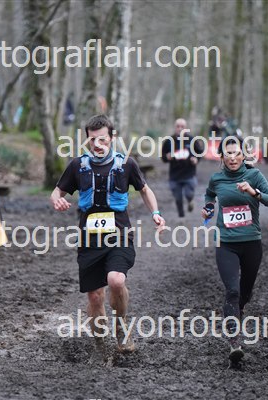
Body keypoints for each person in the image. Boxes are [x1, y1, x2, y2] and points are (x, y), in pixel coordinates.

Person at [50, 114, 165, 355]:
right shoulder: (78, 165)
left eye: (102, 139)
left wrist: (155, 213)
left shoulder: (126, 164)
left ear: (111, 138)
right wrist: (57, 200)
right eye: (92, 139)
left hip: (119, 232)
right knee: (95, 296)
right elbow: (57, 191)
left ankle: (121, 325)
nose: (97, 144)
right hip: (89, 237)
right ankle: (100, 344)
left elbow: (145, 190)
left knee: (116, 280)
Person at [202, 136, 268, 363]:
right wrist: (208, 208)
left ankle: (238, 311)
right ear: (222, 156)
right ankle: (234, 341)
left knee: (245, 293)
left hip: (251, 242)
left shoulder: (254, 176)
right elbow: (209, 195)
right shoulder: (216, 179)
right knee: (232, 291)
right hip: (225, 243)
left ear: (244, 155)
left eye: (237, 153)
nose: (233, 158)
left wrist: (254, 192)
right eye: (228, 154)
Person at [161, 118, 204, 217]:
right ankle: (181, 216)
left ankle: (190, 200)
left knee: (189, 194)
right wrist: (167, 157)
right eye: (178, 126)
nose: (180, 128)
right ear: (174, 127)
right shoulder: (169, 141)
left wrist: (196, 159)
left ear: (186, 128)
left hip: (189, 173)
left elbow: (200, 153)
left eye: (182, 126)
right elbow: (163, 156)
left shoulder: (192, 140)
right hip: (174, 175)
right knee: (177, 197)